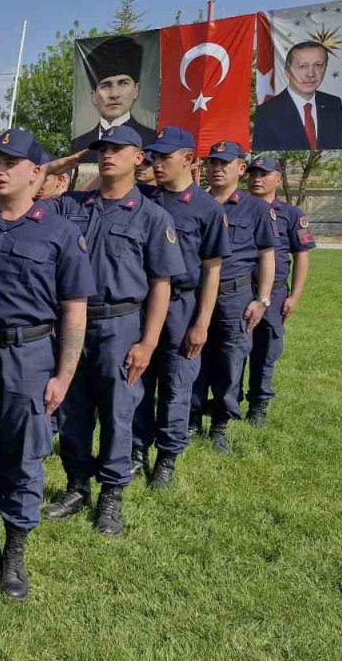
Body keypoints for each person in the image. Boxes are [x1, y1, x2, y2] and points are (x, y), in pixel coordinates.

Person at [0, 129, 92, 601]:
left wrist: (64, 374)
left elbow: (74, 307)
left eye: (11, 162)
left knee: (25, 459)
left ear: (36, 172)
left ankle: (15, 556)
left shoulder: (60, 231)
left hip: (28, 357)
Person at [41, 125, 184, 535]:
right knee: (73, 410)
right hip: (71, 323)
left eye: (118, 149)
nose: (107, 155)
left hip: (120, 325)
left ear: (139, 158)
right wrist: (58, 165)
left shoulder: (153, 216)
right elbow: (23, 194)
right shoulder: (72, 205)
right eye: (102, 148)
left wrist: (148, 341)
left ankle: (111, 496)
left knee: (119, 413)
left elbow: (161, 284)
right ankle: (76, 485)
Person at [131, 128, 230, 488]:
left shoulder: (207, 208)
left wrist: (202, 322)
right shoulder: (144, 199)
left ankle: (167, 457)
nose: (156, 163)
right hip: (142, 304)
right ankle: (136, 450)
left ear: (188, 160)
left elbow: (212, 269)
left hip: (181, 306)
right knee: (138, 379)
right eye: (154, 157)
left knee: (176, 383)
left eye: (164, 157)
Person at [190, 141, 275, 452]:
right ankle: (192, 417)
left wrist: (262, 300)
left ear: (241, 168)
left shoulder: (256, 209)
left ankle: (221, 424)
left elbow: (267, 255)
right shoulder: (195, 202)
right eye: (212, 163)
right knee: (193, 356)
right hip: (197, 294)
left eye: (224, 163)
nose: (217, 168)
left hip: (234, 296)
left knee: (230, 360)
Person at [244, 155, 314, 426]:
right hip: (239, 290)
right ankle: (227, 402)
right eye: (253, 174)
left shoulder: (292, 214)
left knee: (266, 349)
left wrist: (294, 296)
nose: (257, 179)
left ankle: (259, 405)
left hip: (273, 294)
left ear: (278, 179)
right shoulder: (237, 207)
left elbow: (302, 256)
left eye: (264, 174)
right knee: (234, 349)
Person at [72, 35, 158, 156]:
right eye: (105, 86)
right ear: (93, 96)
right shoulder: (79, 144)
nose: (114, 94)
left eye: (123, 83)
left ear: (136, 90)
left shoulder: (152, 140)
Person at [252, 41, 342, 151]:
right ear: (287, 71)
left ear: (325, 68)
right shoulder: (266, 113)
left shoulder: (333, 104)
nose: (311, 74)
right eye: (302, 66)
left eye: (318, 65)